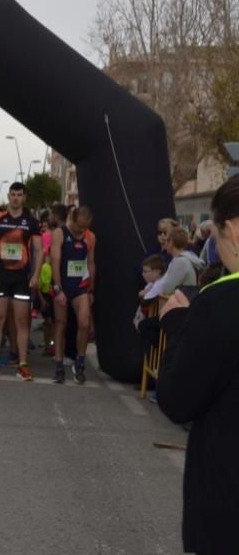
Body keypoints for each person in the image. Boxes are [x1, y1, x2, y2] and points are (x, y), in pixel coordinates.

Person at [157, 175, 239, 555]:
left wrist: (176, 327)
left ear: (234, 229)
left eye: (215, 235)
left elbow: (178, 400)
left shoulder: (220, 302)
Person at [0, 182, 42, 381]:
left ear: (24, 197)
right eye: (13, 194)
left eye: (19, 195)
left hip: (21, 278)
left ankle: (23, 364)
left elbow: (39, 250)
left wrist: (35, 275)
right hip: (0, 276)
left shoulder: (31, 221)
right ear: (8, 196)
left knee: (22, 322)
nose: (16, 198)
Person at [50, 206, 97, 384]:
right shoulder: (60, 233)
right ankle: (59, 365)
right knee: (61, 324)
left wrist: (91, 288)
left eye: (85, 227)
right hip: (62, 284)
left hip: (81, 285)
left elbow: (91, 263)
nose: (81, 230)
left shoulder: (90, 237)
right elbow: (55, 261)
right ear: (72, 219)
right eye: (78, 226)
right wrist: (58, 289)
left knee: (84, 323)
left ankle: (80, 363)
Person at [154, 227, 207, 297]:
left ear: (171, 242)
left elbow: (168, 289)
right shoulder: (187, 257)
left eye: (167, 240)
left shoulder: (180, 262)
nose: (164, 243)